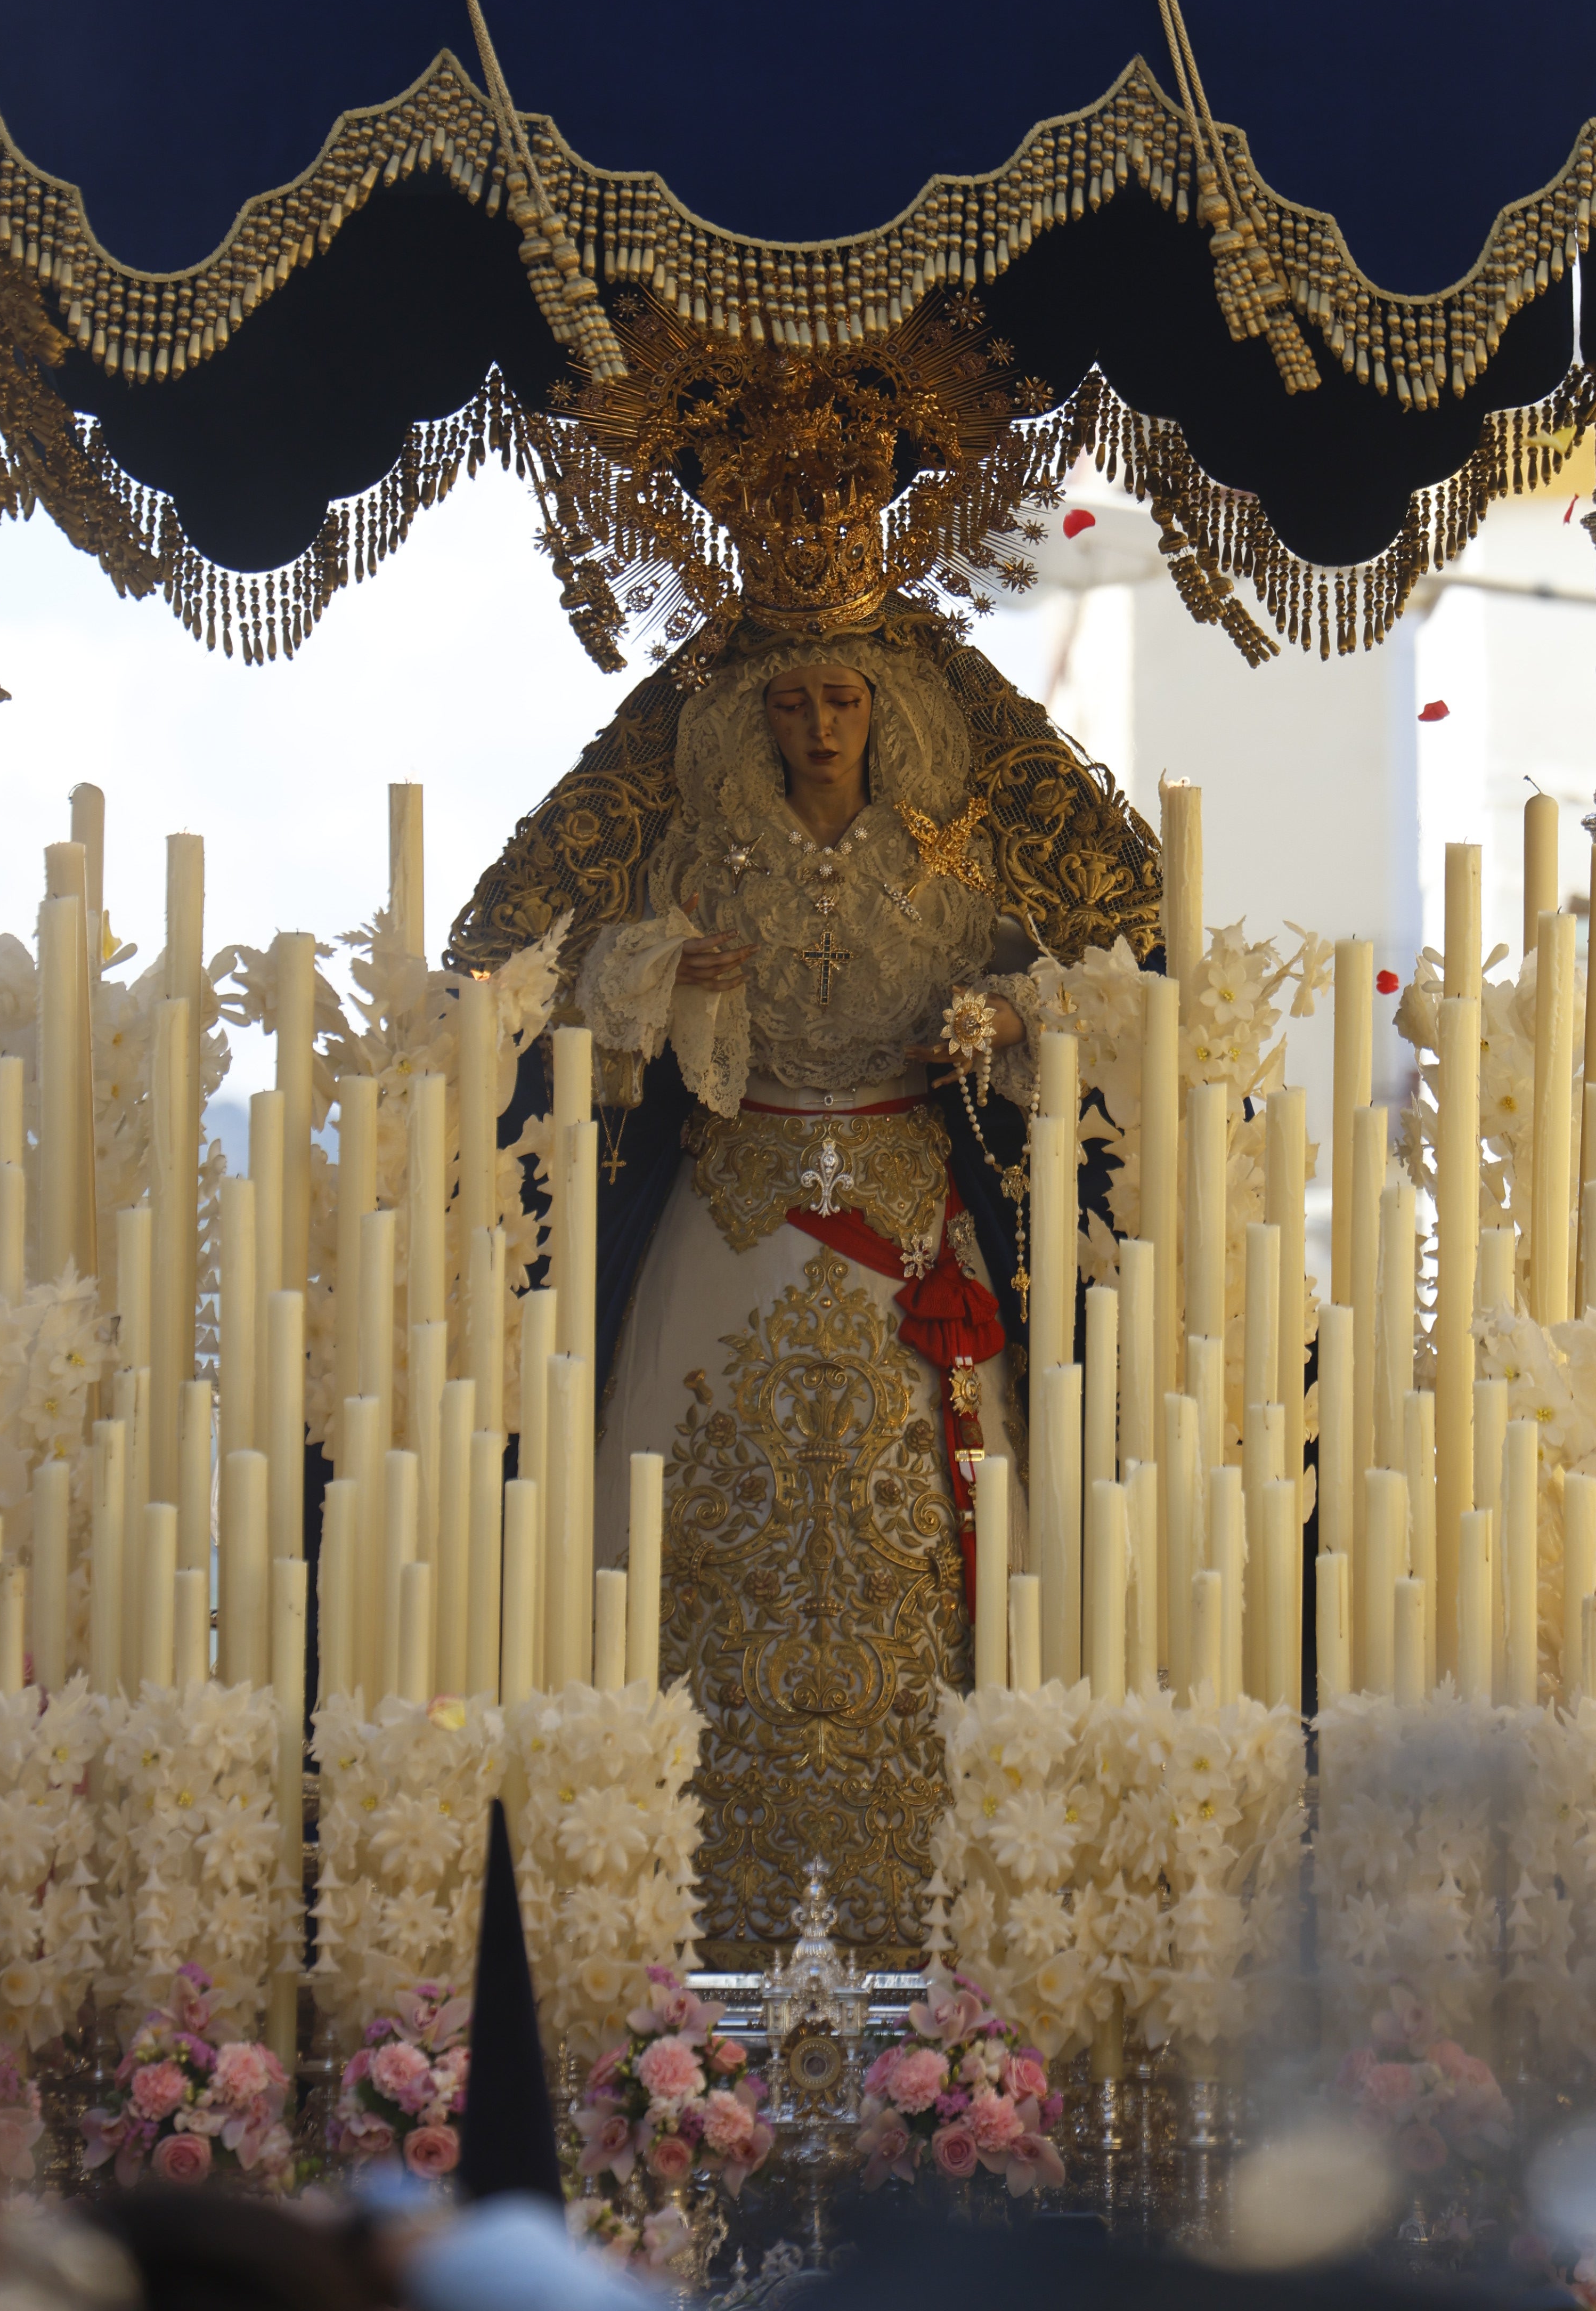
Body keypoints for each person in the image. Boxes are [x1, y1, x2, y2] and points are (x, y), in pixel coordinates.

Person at [453, 309, 1160, 1960]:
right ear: (759, 720)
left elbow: (1084, 975)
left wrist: (1003, 1028)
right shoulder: (701, 850)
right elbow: (555, 975)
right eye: (796, 705)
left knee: (932, 1517)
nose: (820, 726)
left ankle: (950, 1901)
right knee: (693, 1513)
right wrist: (660, 970)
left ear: (880, 711)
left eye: (845, 700)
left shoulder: (949, 852)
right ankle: (681, 1889)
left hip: (917, 1207)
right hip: (740, 1195)